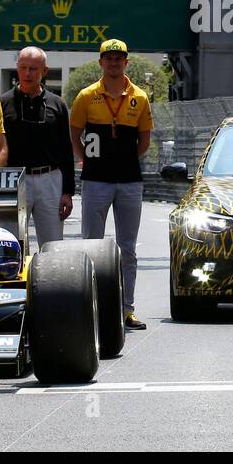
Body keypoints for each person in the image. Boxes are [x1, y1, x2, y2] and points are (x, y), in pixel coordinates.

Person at [70, 39, 153, 330]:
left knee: (127, 249)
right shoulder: (86, 96)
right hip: (95, 181)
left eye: (119, 58)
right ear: (101, 62)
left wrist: (125, 159)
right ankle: (89, 309)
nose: (114, 63)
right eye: (109, 58)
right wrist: (87, 161)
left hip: (130, 182)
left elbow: (144, 140)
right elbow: (75, 133)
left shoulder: (139, 97)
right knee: (91, 245)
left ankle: (127, 309)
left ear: (126, 62)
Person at [0, 46, 75, 249]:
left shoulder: (58, 104)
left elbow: (66, 149)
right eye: (23, 67)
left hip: (50, 180)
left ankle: (51, 282)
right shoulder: (2, 103)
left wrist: (68, 191)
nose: (27, 73)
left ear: (44, 71)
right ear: (16, 68)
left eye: (33, 68)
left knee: (53, 246)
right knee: (11, 244)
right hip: (14, 180)